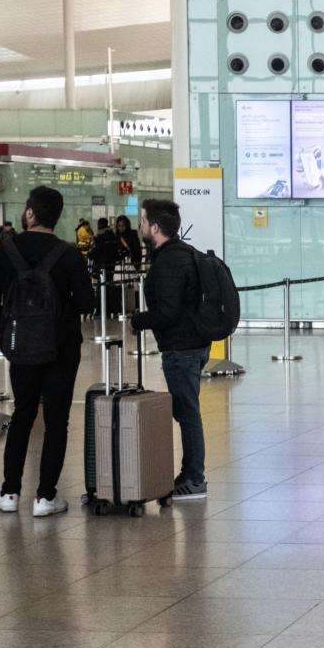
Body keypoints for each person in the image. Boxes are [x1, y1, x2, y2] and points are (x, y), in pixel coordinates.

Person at [0, 186, 96, 517]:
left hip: (21, 347)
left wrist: (8, 328)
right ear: (57, 218)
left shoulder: (5, 251)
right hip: (61, 347)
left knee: (23, 414)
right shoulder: (68, 253)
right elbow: (87, 303)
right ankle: (45, 497)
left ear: (30, 213)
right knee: (56, 421)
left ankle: (9, 492)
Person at [129, 199, 212, 502]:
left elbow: (167, 312)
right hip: (193, 343)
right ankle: (191, 475)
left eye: (142, 222)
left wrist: (137, 321)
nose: (140, 227)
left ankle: (194, 479)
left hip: (182, 348)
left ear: (154, 227)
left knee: (187, 413)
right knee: (188, 411)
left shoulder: (169, 261)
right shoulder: (183, 253)